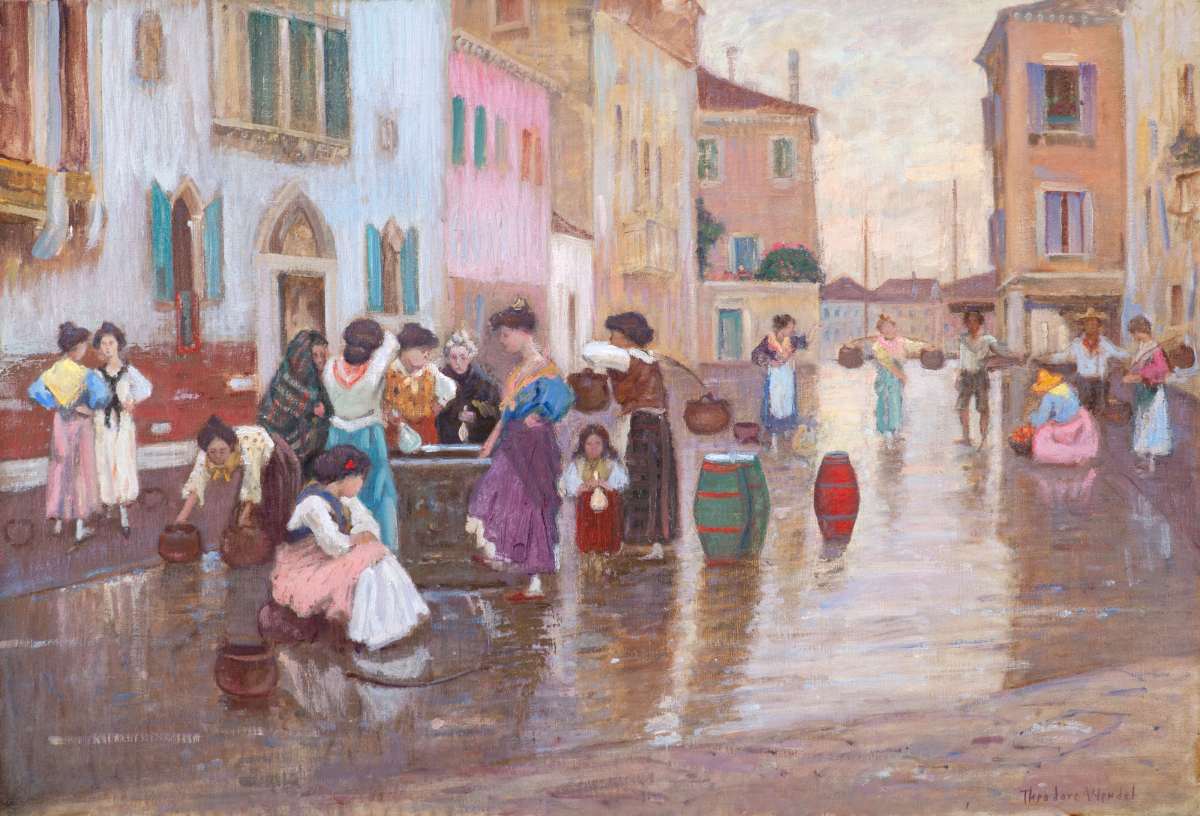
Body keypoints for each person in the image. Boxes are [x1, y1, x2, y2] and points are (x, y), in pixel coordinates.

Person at [466, 300, 575, 601]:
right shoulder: (517, 370)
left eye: (505, 335)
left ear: (521, 332)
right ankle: (502, 554)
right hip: (511, 443)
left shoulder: (545, 368)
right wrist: (491, 440)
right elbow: (506, 412)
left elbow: (563, 402)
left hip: (535, 446)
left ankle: (535, 579)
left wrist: (541, 417)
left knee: (533, 506)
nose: (502, 342)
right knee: (493, 496)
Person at [271, 445, 429, 650]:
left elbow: (369, 526)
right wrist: (358, 539)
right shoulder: (313, 503)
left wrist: (361, 536)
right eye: (360, 479)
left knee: (378, 558)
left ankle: (392, 625)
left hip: (335, 557)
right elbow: (332, 545)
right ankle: (369, 632)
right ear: (346, 478)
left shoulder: (346, 499)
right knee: (372, 561)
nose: (362, 484)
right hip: (309, 565)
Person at [581, 312, 679, 560]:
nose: (610, 339)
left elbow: (588, 351)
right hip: (658, 426)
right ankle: (656, 542)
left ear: (624, 338)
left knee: (639, 480)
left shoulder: (626, 358)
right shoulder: (644, 359)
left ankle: (640, 542)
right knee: (657, 482)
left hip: (641, 425)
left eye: (613, 334)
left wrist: (623, 349)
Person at [322, 318, 401, 553]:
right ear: (373, 347)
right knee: (378, 494)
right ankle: (383, 552)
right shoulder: (375, 367)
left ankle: (347, 554)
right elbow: (393, 342)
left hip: (336, 437)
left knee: (341, 494)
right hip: (368, 438)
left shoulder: (330, 366)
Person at [28, 322, 109, 543]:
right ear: (78, 347)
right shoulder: (85, 374)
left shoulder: (53, 371)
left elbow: (34, 392)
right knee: (80, 469)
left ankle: (59, 521)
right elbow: (102, 398)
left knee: (61, 466)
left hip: (60, 424)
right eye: (84, 345)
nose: (85, 349)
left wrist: (58, 404)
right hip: (80, 425)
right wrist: (85, 407)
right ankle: (80, 526)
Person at [176, 416, 300, 547]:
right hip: (250, 460)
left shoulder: (247, 449)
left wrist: (244, 517)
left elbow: (251, 482)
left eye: (222, 451)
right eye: (213, 452)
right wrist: (181, 518)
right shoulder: (205, 453)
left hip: (268, 454)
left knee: (270, 509)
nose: (217, 456)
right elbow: (196, 484)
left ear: (231, 446)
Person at [92, 322, 153, 537]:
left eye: (111, 342)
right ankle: (108, 502)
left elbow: (146, 388)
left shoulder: (128, 371)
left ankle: (124, 510)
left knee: (123, 461)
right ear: (98, 348)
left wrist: (132, 401)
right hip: (103, 424)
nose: (107, 347)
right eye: (103, 344)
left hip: (124, 423)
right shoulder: (96, 375)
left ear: (118, 344)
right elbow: (90, 398)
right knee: (106, 460)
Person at [257, 330, 333, 476]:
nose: (320, 361)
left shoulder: (317, 384)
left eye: (323, 355)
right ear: (303, 358)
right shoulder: (286, 382)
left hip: (303, 452)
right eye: (314, 356)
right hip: (282, 450)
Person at [1043, 307, 1129, 414]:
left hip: (1100, 383)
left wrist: (1134, 357)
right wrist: (1047, 359)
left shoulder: (1105, 343)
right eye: (1088, 323)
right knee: (1084, 411)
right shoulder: (1078, 344)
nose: (1091, 326)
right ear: (1084, 325)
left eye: (1094, 323)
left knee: (1100, 411)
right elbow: (1064, 355)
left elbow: (1120, 353)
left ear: (1098, 325)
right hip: (1083, 383)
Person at [749, 314, 816, 451]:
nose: (793, 329)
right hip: (775, 379)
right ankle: (774, 444)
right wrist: (771, 361)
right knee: (775, 406)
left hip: (788, 378)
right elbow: (755, 355)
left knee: (787, 405)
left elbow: (807, 340)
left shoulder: (790, 340)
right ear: (783, 329)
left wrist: (814, 327)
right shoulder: (768, 341)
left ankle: (786, 438)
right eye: (790, 327)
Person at [383, 323, 456, 446]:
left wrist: (441, 403)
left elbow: (451, 388)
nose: (427, 356)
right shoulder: (389, 373)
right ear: (406, 350)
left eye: (429, 351)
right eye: (423, 351)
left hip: (425, 431)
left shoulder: (430, 371)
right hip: (397, 433)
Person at [561, 425, 630, 555]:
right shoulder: (577, 464)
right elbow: (574, 490)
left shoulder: (610, 463)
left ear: (604, 445)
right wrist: (590, 485)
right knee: (588, 544)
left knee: (607, 540)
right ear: (583, 445)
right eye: (589, 444)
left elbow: (620, 485)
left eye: (597, 443)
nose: (593, 447)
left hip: (607, 511)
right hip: (587, 511)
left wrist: (600, 483)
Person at [864, 314, 930, 442]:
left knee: (897, 402)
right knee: (885, 402)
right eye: (884, 328)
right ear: (880, 331)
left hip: (897, 379)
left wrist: (927, 346)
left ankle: (896, 430)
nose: (888, 330)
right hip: (885, 377)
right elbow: (887, 363)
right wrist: (902, 376)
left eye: (889, 327)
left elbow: (914, 345)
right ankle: (886, 430)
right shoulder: (878, 346)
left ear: (894, 327)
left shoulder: (899, 342)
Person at [1122, 315, 1173, 473]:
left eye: (1134, 334)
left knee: (1152, 423)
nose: (1133, 337)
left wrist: (1137, 377)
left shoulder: (1155, 349)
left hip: (1152, 391)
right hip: (1142, 390)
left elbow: (1161, 371)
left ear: (1139, 332)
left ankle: (1150, 462)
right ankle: (1145, 459)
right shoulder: (1144, 347)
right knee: (1142, 422)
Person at [435, 331, 502, 445]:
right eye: (453, 357)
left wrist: (476, 416)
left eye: (462, 357)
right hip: (447, 444)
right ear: (448, 358)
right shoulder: (440, 381)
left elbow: (497, 416)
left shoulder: (484, 384)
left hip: (476, 443)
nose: (458, 362)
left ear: (470, 357)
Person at [956, 309, 1010, 446]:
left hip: (980, 375)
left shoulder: (988, 339)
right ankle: (965, 437)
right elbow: (962, 359)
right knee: (962, 407)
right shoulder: (963, 338)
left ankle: (984, 438)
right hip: (965, 375)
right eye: (969, 322)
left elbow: (1003, 354)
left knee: (983, 408)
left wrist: (989, 363)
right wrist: (957, 376)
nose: (972, 324)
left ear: (980, 322)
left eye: (975, 321)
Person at [1027, 369, 1098, 465]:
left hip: (1062, 428)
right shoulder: (1067, 388)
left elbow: (1042, 418)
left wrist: (1031, 417)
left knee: (1040, 431)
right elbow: (1074, 406)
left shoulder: (1049, 396)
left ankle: (1058, 457)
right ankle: (1078, 456)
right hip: (1078, 422)